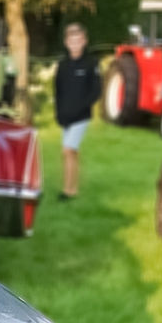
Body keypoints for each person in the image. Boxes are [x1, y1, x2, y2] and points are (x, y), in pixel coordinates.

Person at [53, 22, 101, 200]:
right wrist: (58, 113)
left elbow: (96, 91)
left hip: (81, 116)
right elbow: (57, 91)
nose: (75, 43)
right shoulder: (62, 65)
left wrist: (80, 108)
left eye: (78, 40)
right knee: (69, 153)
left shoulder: (91, 63)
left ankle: (68, 191)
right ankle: (72, 187)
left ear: (84, 41)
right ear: (66, 42)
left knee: (68, 150)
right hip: (65, 116)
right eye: (71, 40)